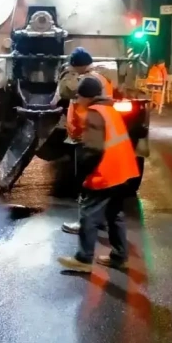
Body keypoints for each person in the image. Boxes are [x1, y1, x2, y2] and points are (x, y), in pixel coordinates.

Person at [57, 77, 142, 273]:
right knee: (114, 214)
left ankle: (84, 259)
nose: (78, 100)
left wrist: (85, 174)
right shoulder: (110, 110)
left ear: (87, 97)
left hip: (106, 173)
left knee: (88, 214)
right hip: (123, 171)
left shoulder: (94, 114)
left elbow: (93, 149)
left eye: (79, 96)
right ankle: (120, 256)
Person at [54, 47, 115, 235]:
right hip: (96, 135)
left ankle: (86, 224)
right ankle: (100, 220)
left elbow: (66, 90)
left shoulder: (87, 80)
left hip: (86, 136)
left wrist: (66, 71)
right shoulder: (100, 77)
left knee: (85, 183)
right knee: (98, 183)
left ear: (78, 65)